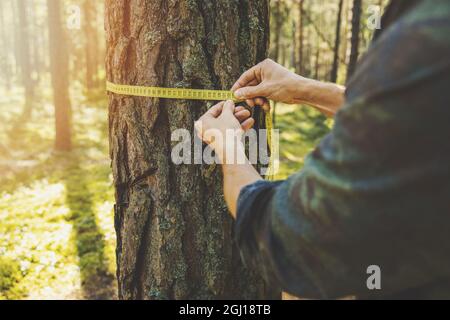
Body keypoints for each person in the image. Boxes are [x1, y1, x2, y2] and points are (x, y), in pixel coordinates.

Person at [195, 0, 450, 299]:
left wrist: (228, 146)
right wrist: (304, 89)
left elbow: (295, 241)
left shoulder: (425, 37)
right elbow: (412, 121)